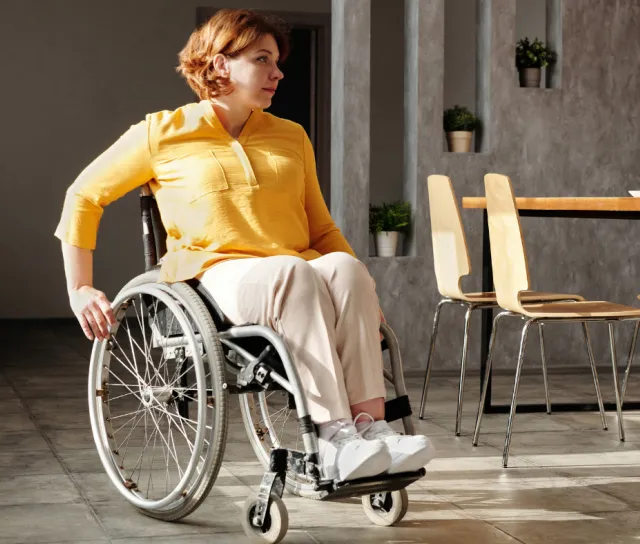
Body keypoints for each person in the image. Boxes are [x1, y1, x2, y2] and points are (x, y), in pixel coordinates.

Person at [55, 8, 434, 482]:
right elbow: (84, 195)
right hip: (217, 277)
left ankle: (371, 430)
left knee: (345, 269)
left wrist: (363, 291)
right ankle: (333, 437)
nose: (278, 72)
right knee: (292, 273)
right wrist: (80, 288)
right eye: (262, 59)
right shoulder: (161, 133)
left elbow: (321, 230)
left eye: (277, 61)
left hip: (295, 271)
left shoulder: (291, 136)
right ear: (220, 65)